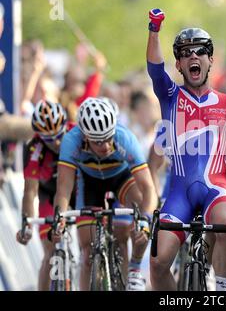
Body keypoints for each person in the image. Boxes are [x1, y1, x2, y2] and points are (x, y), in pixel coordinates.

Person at [146, 8, 226, 291]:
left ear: (210, 59)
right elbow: (154, 69)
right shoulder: (170, 95)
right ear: (178, 65)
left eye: (200, 51)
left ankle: (222, 290)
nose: (193, 56)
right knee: (158, 262)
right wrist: (154, 30)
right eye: (185, 53)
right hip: (179, 193)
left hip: (217, 189)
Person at [52, 97, 157, 291]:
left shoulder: (125, 137)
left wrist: (145, 219)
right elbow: (64, 189)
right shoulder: (71, 141)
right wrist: (59, 218)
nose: (106, 146)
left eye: (109, 137)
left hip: (121, 178)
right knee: (87, 250)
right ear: (85, 137)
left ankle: (134, 271)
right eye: (99, 141)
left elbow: (149, 188)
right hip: (90, 183)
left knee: (136, 218)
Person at [16, 100, 75, 290]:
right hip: (48, 195)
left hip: (78, 190)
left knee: (89, 241)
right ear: (40, 137)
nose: (56, 143)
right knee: (50, 253)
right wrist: (26, 223)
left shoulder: (77, 134)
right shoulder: (34, 148)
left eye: (59, 135)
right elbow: (30, 191)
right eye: (49, 139)